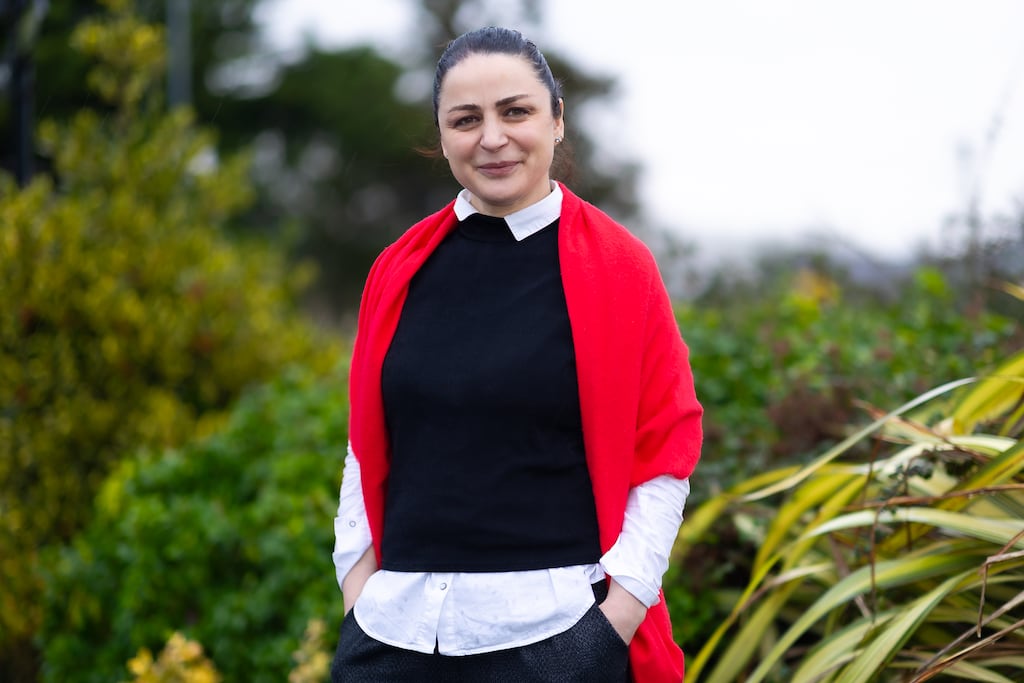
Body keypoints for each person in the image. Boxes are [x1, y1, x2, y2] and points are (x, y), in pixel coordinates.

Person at [331, 26, 703, 683]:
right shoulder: (398, 268)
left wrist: (614, 619)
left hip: (555, 637)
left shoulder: (620, 267)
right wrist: (357, 589)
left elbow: (665, 450)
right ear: (442, 136)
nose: (493, 137)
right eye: (466, 119)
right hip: (395, 635)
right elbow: (366, 442)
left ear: (557, 121)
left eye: (516, 111)